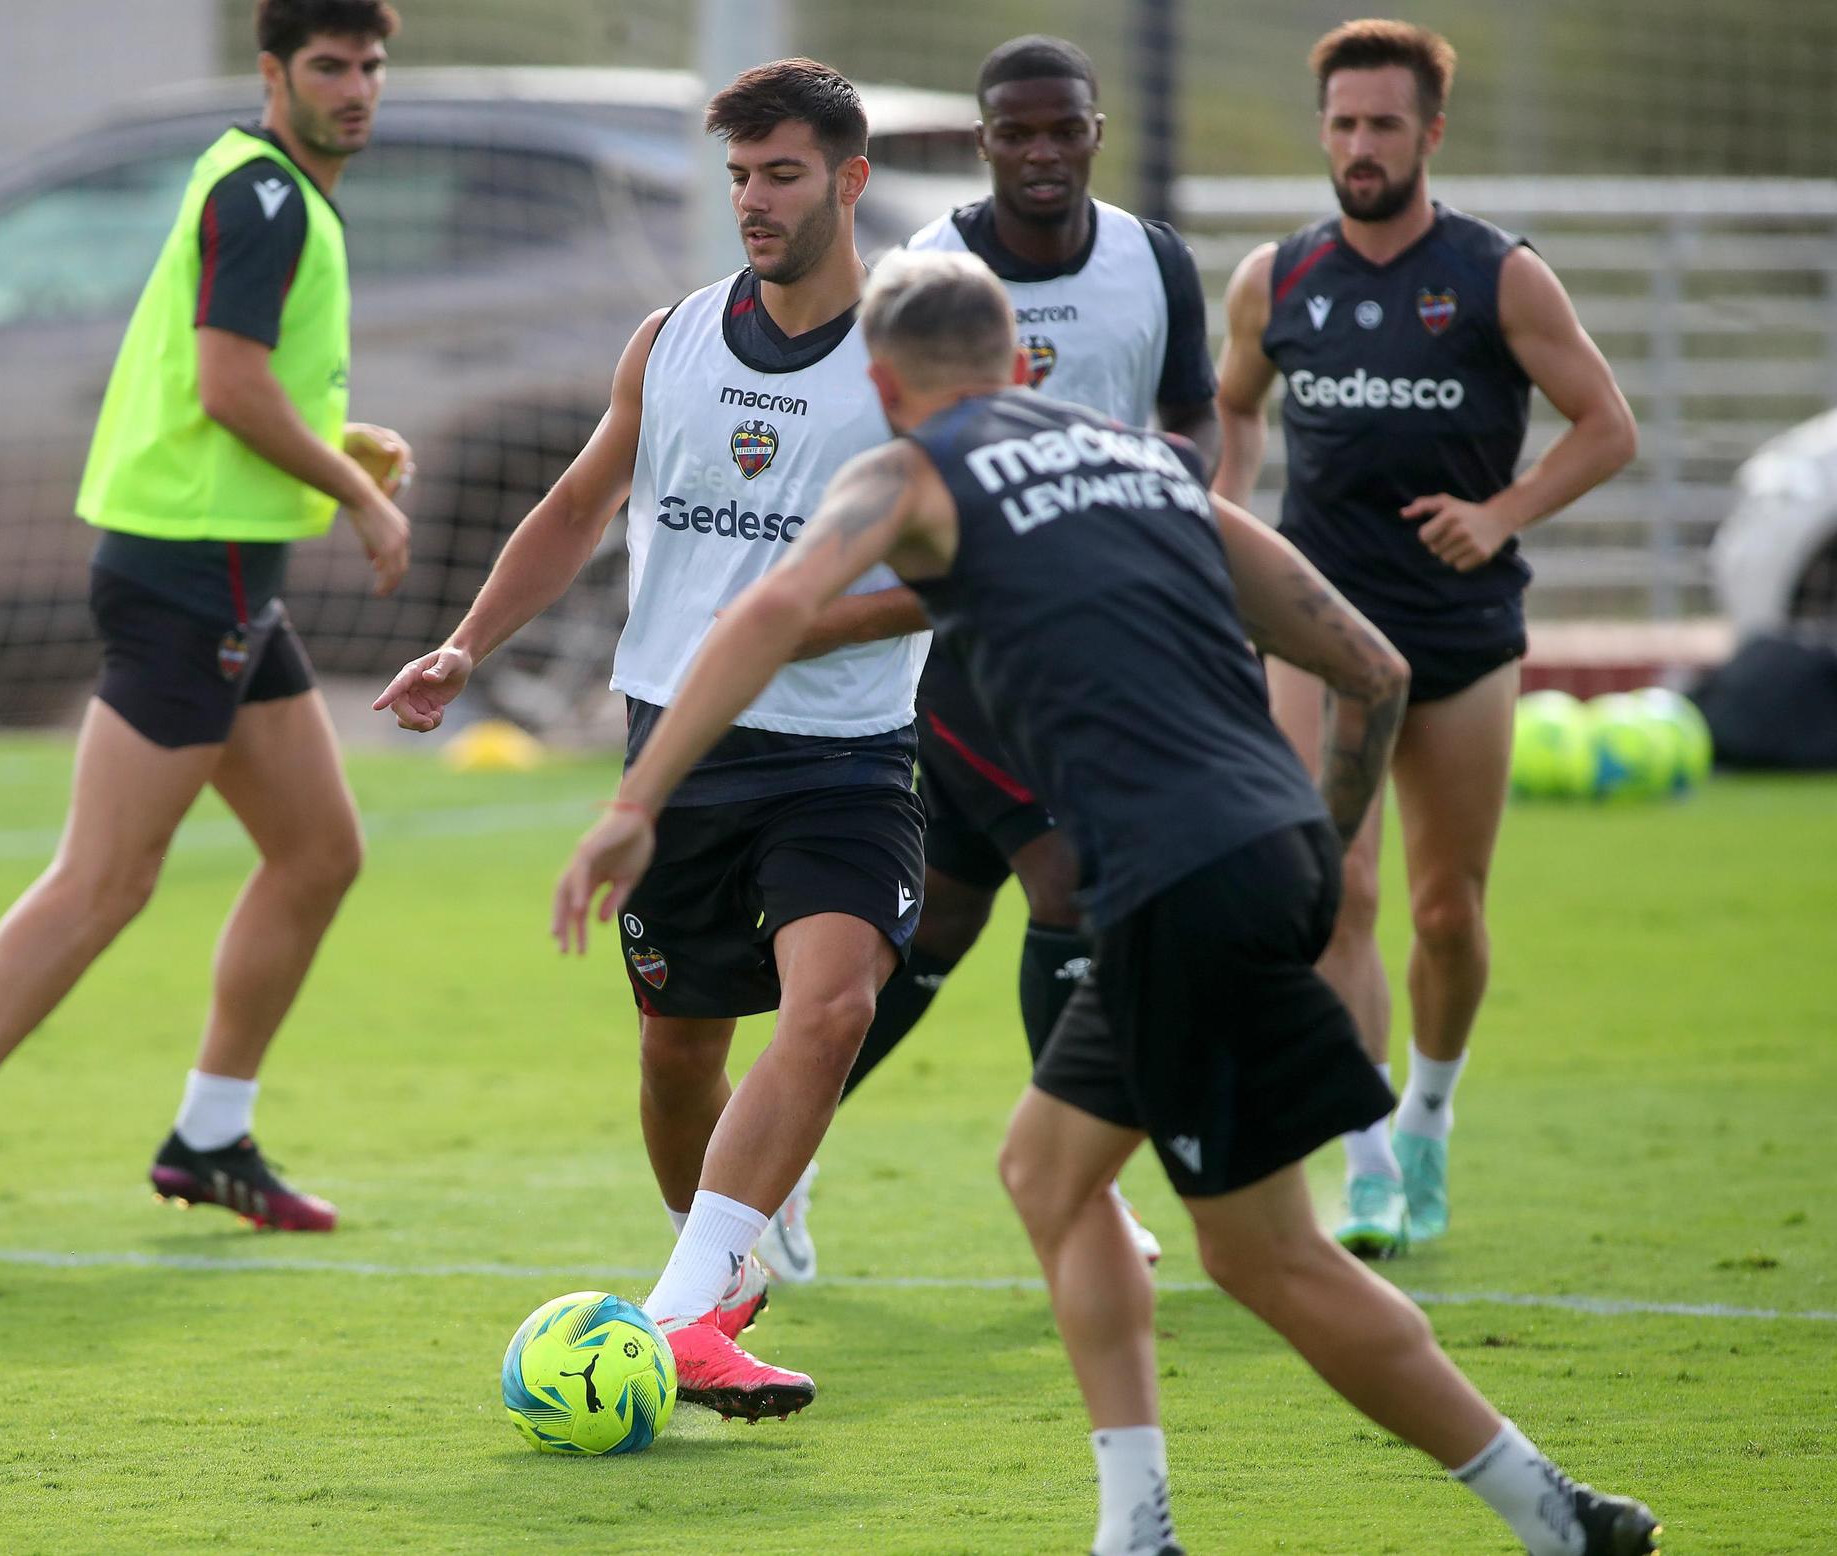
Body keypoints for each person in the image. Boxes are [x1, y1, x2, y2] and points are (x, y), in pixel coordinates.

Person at [555, 250, 1661, 1556]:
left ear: (885, 380)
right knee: (1049, 1173)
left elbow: (769, 610)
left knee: (1272, 1260)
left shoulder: (911, 469)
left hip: (1175, 875)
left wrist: (636, 802)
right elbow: (1370, 664)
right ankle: (1143, 1528)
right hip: (1258, 856)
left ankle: (1552, 1516)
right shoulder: (1152, 468)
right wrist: (1318, 842)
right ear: (1019, 361)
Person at [375, 60, 927, 1421]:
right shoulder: (670, 336)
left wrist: (820, 625)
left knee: (834, 1002)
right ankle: (735, 1251)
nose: (753, 200)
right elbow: (576, 506)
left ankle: (685, 1306)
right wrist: (465, 645)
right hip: (675, 747)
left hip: (845, 750)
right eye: (737, 175)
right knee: (679, 1050)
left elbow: (966, 560)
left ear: (848, 182)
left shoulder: (907, 362)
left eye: (781, 174)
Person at [0, 0, 415, 1257]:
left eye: (372, 64)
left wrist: (338, 446)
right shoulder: (265, 194)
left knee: (319, 851)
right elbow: (225, 385)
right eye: (330, 64)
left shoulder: (270, 189)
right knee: (106, 876)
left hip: (221, 569)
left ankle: (209, 1138)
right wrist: (360, 492)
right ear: (273, 73)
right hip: (185, 575)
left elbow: (241, 385)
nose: (356, 86)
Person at [755, 33, 1221, 1284]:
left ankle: (782, 1151)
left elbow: (1193, 407)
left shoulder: (1151, 260)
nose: (1038, 152)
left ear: (1092, 133)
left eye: (1059, 128)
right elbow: (874, 450)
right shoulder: (928, 273)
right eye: (1013, 132)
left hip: (1103, 644)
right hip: (967, 642)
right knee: (1067, 878)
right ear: (982, 142)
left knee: (947, 920)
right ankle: (1088, 1193)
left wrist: (1177, 487)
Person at [1213, 19, 1637, 1256]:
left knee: (1444, 910)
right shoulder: (1274, 278)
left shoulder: (1497, 274)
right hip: (1316, 629)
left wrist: (1498, 512)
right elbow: (1233, 414)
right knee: (1332, 891)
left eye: (1381, 124)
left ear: (1428, 133)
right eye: (1339, 123)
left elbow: (1604, 424)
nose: (1357, 145)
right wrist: (1229, 534)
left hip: (1458, 637)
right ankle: (1364, 1163)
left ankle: (1429, 1122)